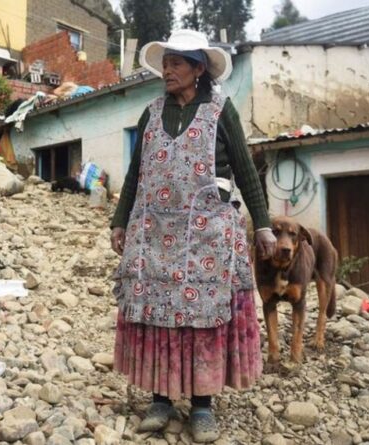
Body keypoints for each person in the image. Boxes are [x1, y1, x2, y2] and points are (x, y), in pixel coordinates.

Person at [110, 29, 277, 442]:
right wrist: (119, 220)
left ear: (199, 69)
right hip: (154, 233)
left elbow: (244, 168)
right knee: (155, 314)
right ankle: (160, 400)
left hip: (207, 237)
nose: (168, 69)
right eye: (166, 62)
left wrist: (263, 224)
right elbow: (136, 174)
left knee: (204, 319)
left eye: (177, 62)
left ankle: (202, 405)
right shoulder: (150, 113)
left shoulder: (221, 110)